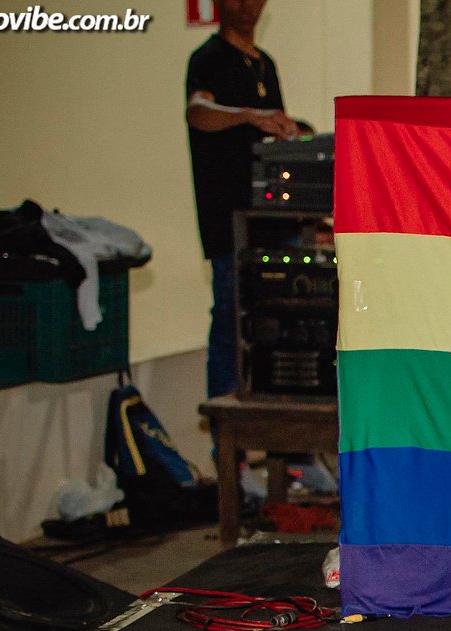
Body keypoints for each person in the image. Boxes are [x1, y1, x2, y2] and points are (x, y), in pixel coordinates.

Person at [184, 0, 297, 401]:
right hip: (230, 222)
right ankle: (226, 432)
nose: (248, 6)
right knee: (232, 327)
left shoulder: (266, 64)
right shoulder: (208, 58)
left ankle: (281, 432)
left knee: (284, 328)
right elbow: (198, 111)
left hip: (276, 220)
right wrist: (247, 114)